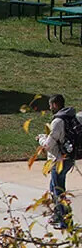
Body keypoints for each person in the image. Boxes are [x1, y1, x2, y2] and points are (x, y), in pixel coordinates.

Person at [38, 94, 82, 229]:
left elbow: (48, 145)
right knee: (53, 187)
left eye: (50, 105)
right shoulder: (72, 117)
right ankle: (57, 215)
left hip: (58, 161)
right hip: (69, 158)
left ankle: (65, 221)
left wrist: (40, 139)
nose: (49, 107)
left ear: (55, 105)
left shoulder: (57, 122)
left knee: (59, 191)